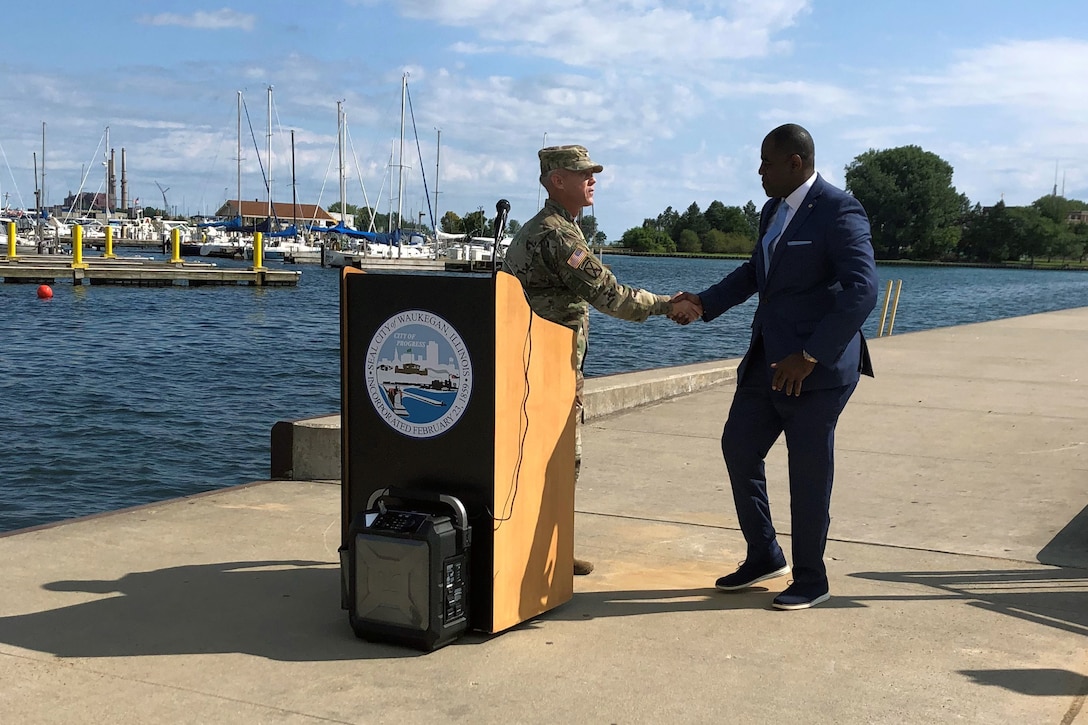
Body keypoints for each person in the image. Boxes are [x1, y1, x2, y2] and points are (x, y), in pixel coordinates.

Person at [673, 124, 877, 609]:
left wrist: (809, 356)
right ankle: (764, 553)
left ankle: (812, 578)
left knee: (807, 473)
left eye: (766, 162)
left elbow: (862, 289)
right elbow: (754, 271)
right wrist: (703, 303)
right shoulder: (772, 211)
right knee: (739, 449)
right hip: (767, 361)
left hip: (816, 372)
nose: (759, 171)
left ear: (795, 162)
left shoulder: (838, 210)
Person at [502, 144, 702, 576]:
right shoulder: (557, 235)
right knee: (557, 460)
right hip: (546, 368)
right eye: (584, 173)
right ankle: (543, 555)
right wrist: (669, 305)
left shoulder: (552, 228)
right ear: (558, 180)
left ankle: (550, 547)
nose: (593, 179)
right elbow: (611, 295)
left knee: (544, 459)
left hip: (534, 361)